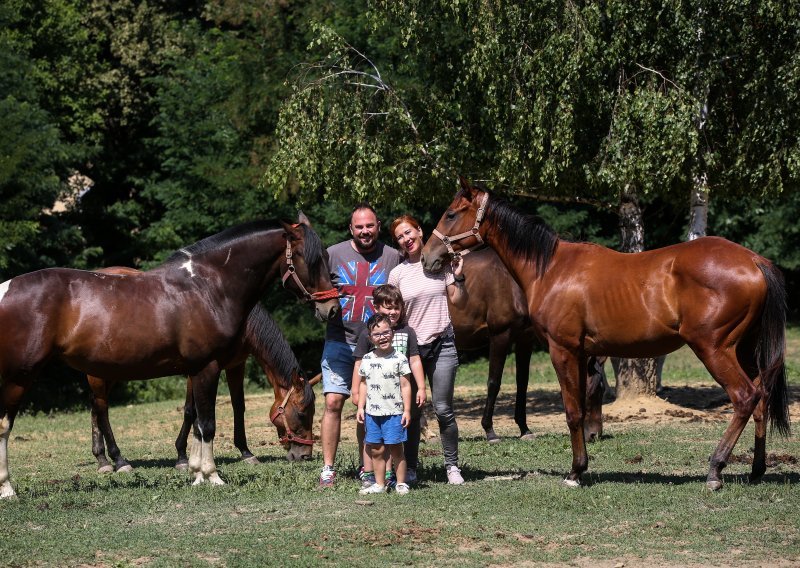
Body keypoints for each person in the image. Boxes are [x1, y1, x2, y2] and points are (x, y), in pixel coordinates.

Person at [319, 203, 400, 488]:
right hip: (340, 340)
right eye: (359, 227)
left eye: (369, 226)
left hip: (377, 347)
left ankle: (366, 468)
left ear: (378, 225)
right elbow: (316, 290)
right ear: (350, 229)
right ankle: (328, 467)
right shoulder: (332, 255)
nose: (365, 231)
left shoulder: (393, 257)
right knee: (333, 401)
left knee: (371, 408)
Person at [388, 215, 468, 485]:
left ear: (420, 231)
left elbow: (458, 300)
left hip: (443, 343)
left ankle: (452, 466)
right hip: (412, 350)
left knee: (444, 409)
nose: (406, 239)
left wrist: (459, 277)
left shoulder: (441, 265)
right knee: (412, 411)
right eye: (400, 237)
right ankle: (410, 467)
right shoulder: (397, 274)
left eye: (408, 232)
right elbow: (392, 313)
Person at [352, 284, 426, 488]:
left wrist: (421, 387)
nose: (393, 312)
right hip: (375, 402)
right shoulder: (369, 333)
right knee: (374, 441)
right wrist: (355, 390)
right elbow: (360, 364)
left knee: (395, 442)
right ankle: (373, 477)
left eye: (396, 308)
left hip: (398, 401)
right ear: (376, 308)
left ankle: (397, 478)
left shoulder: (407, 332)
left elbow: (415, 360)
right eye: (387, 308)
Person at [356, 313, 412, 495]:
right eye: (377, 334)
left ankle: (401, 483)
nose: (383, 337)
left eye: (386, 332)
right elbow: (363, 384)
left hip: (394, 412)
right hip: (372, 414)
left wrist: (407, 410)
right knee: (377, 450)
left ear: (392, 333)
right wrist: (360, 407)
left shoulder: (400, 359)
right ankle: (379, 484)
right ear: (370, 338)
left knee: (396, 449)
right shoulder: (367, 359)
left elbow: (405, 385)